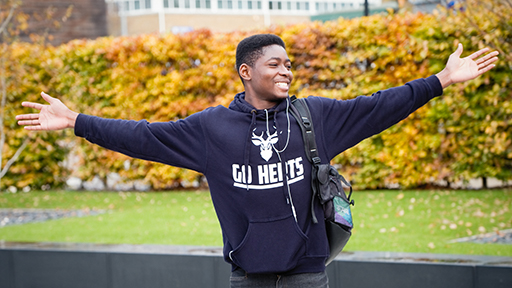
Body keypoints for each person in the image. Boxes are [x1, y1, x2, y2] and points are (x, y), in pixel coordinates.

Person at [16, 34, 498, 287]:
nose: (286, 70)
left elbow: (378, 107)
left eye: (289, 63)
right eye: (275, 64)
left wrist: (440, 80)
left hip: (309, 272)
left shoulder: (315, 117)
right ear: (246, 72)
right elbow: (143, 137)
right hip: (248, 276)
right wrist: (76, 120)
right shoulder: (211, 129)